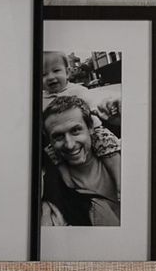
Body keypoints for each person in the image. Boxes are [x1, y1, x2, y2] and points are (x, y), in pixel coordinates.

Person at [40, 92, 121, 227]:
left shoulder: (124, 161)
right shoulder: (53, 186)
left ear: (90, 128)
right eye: (58, 136)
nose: (70, 144)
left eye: (76, 130)